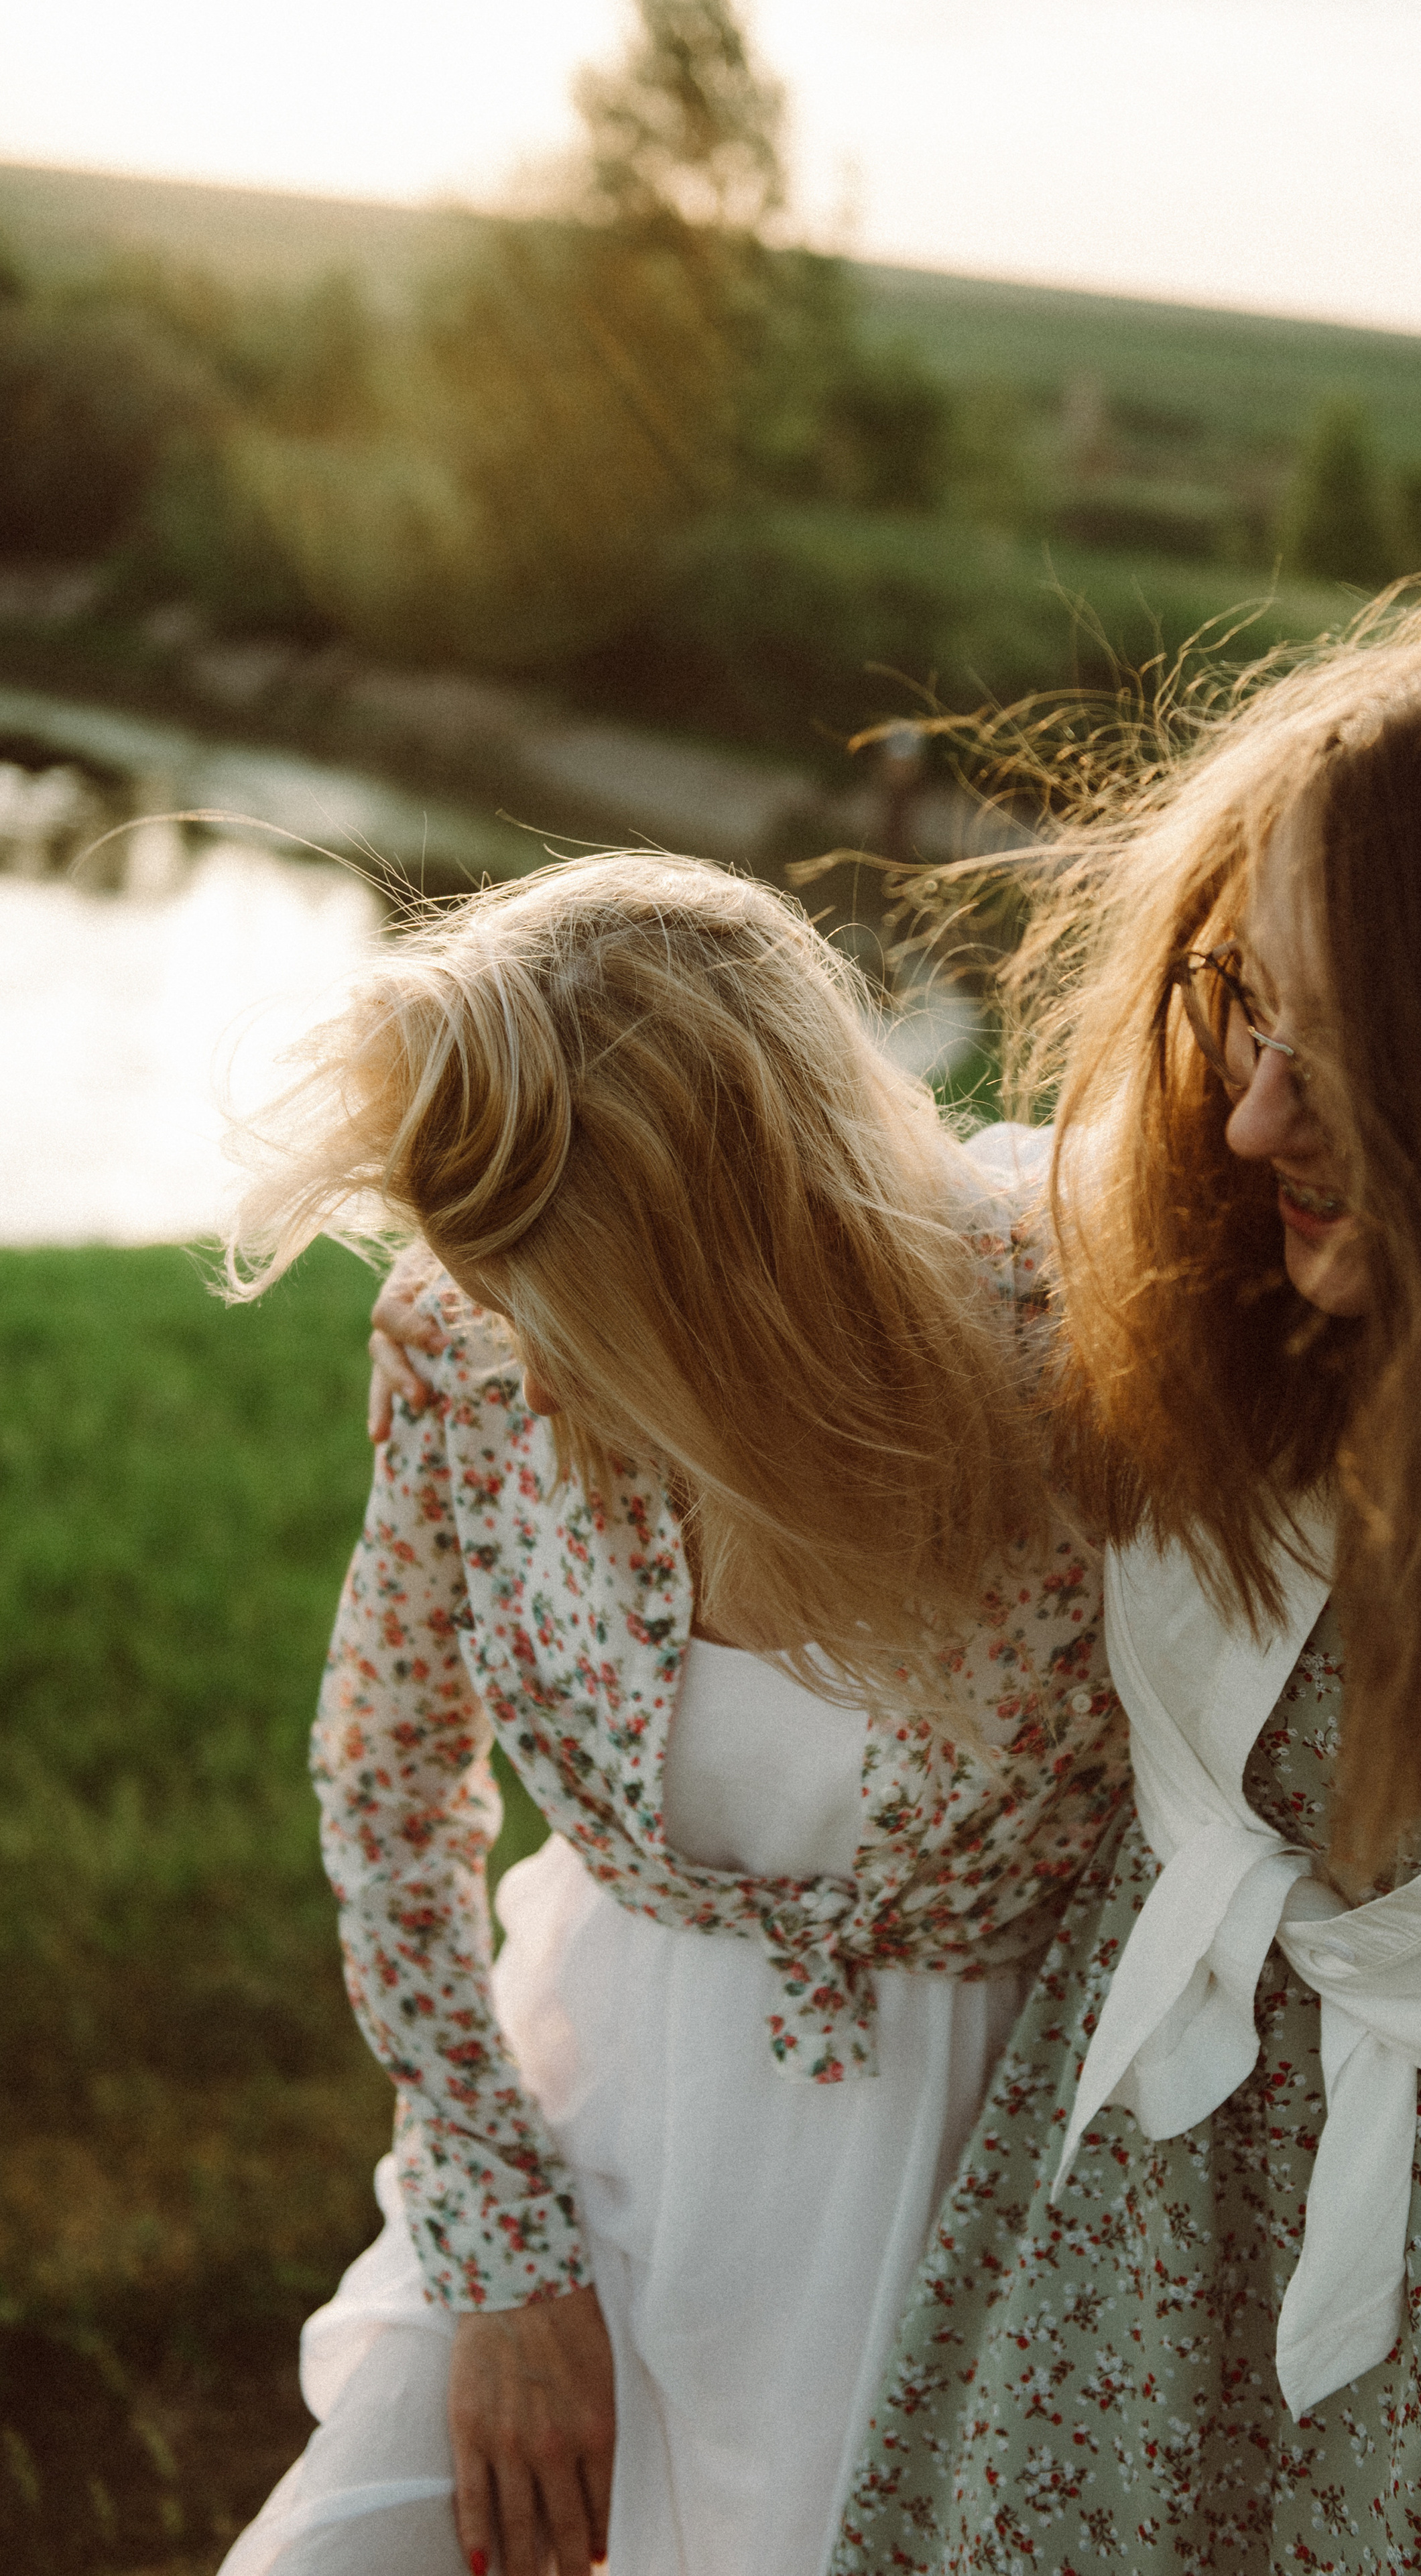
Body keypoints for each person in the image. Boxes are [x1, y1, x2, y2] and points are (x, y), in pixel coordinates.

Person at [831, 589, 1421, 2575]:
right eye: (1256, 1008)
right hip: (1133, 2264)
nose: (1250, 1116)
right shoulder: (1191, 1286)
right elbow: (737, 1197)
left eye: (1352, 1054)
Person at [213, 853, 1129, 2576]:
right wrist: (499, 2246)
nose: (535, 1377)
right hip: (585, 2110)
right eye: (500, 1305)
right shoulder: (464, 1336)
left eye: (586, 1317)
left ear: (744, 1265)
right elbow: (387, 1775)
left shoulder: (1078, 1347)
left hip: (968, 2175)